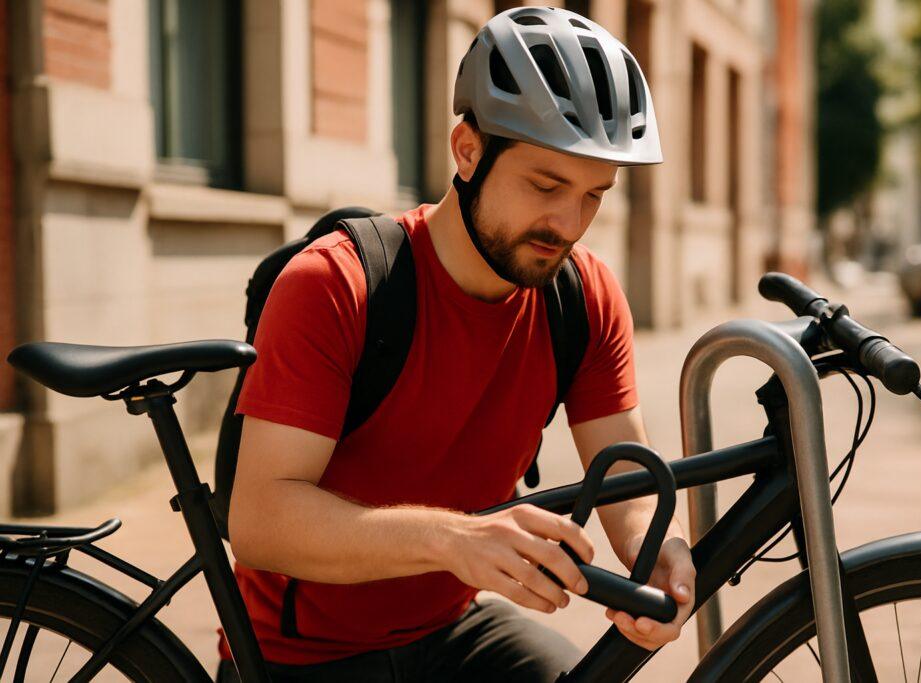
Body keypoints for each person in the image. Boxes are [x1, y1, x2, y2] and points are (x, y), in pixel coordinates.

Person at [219, 7, 695, 682]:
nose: (568, 223)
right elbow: (261, 519)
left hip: (452, 627)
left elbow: (624, 483)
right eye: (545, 184)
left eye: (595, 194)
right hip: (303, 655)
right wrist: (455, 540)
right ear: (467, 149)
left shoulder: (583, 297)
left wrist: (660, 553)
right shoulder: (336, 284)